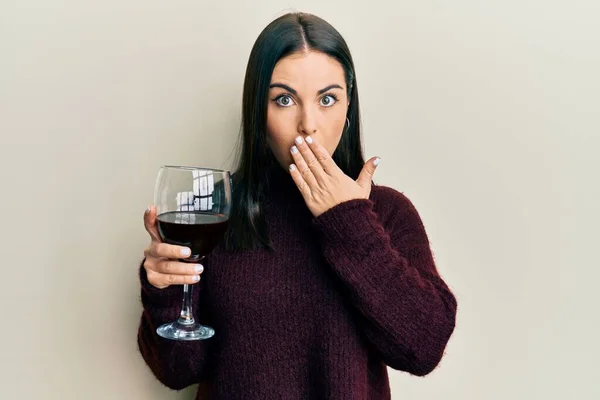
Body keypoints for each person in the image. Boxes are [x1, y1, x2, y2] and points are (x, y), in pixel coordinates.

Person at [137, 12, 457, 400]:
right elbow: (179, 371)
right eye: (284, 99)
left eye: (327, 99)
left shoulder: (386, 213)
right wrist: (164, 291)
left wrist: (349, 221)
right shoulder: (214, 211)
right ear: (258, 109)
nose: (308, 124)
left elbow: (422, 348)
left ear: (349, 105)